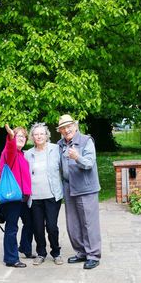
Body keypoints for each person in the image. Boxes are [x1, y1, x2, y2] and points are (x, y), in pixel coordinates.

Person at [56, 114, 101, 270]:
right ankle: (81, 252)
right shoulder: (60, 144)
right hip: (69, 187)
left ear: (75, 126)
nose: (66, 130)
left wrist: (77, 157)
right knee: (73, 223)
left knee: (89, 223)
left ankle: (93, 255)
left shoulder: (86, 141)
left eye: (69, 126)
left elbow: (89, 163)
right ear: (60, 130)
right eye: (63, 128)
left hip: (86, 188)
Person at [24, 123, 63, 266]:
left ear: (47, 135)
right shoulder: (28, 154)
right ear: (32, 137)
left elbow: (66, 167)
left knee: (52, 226)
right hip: (34, 198)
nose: (39, 136)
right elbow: (20, 170)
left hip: (52, 196)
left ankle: (56, 252)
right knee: (38, 227)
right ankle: (41, 253)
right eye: (36, 134)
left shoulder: (56, 149)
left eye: (42, 134)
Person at [0, 124, 35, 268]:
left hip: (24, 197)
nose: (22, 139)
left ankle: (25, 248)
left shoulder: (23, 155)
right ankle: (11, 258)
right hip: (12, 197)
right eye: (18, 136)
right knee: (12, 228)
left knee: (30, 222)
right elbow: (10, 148)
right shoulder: (10, 152)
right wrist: (11, 138)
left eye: (24, 137)